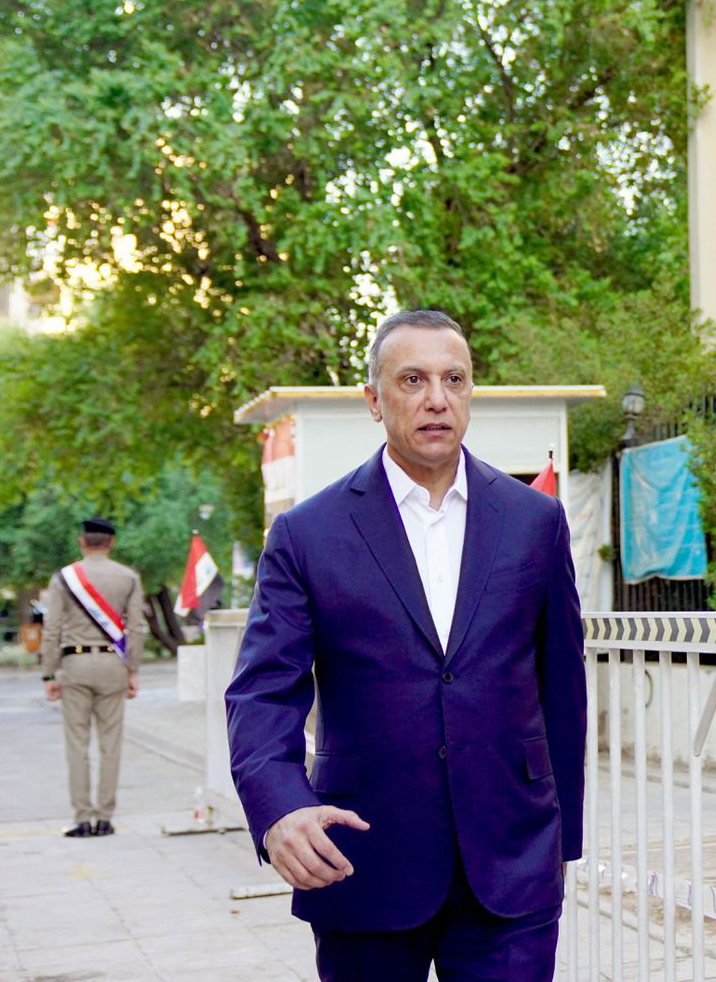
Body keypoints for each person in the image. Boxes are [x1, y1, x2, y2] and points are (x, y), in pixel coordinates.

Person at [226, 309, 586, 981]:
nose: (437, 399)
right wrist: (280, 807)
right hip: (363, 862)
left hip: (511, 863)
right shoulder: (307, 535)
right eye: (413, 380)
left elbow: (561, 687)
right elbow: (261, 692)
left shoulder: (535, 521)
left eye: (455, 380)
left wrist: (561, 839)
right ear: (374, 399)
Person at [40, 517, 146, 838]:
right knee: (110, 745)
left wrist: (48, 673)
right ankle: (106, 818)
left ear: (82, 541)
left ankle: (83, 818)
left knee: (78, 744)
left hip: (75, 665)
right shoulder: (127, 577)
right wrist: (132, 670)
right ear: (110, 543)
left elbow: (52, 629)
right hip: (113, 666)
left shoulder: (64, 578)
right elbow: (136, 627)